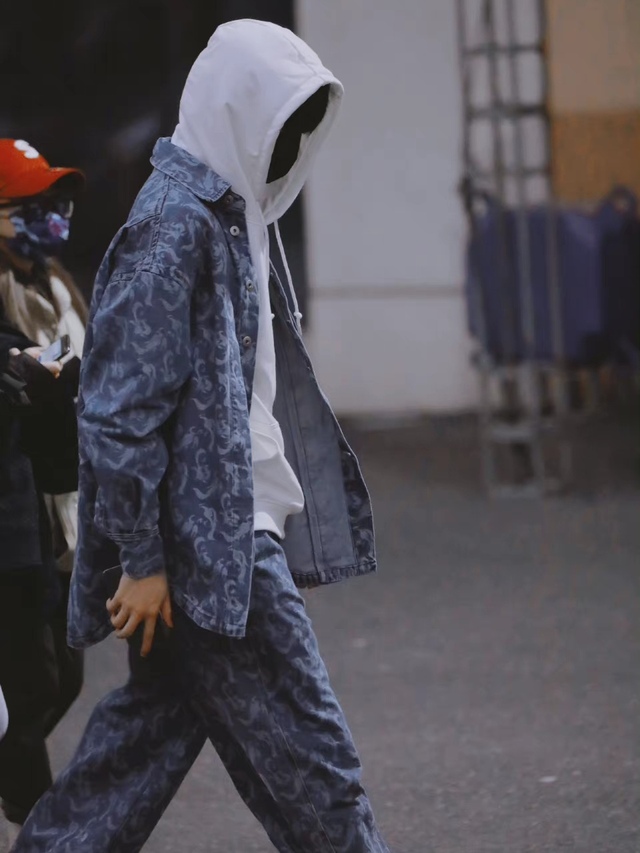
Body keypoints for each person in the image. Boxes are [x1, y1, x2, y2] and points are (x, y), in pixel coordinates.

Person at [13, 20, 390, 853]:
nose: (290, 147)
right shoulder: (173, 225)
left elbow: (242, 397)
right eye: (280, 123)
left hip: (221, 540)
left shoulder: (232, 213)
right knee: (317, 763)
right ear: (238, 113)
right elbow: (117, 412)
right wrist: (143, 560)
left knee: (133, 760)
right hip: (212, 548)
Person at [0, 140, 85, 836]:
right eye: (29, 204)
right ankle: (38, 825)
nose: (49, 215)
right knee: (32, 685)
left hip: (63, 507)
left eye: (53, 200)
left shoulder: (56, 284)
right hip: (16, 510)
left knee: (65, 673)